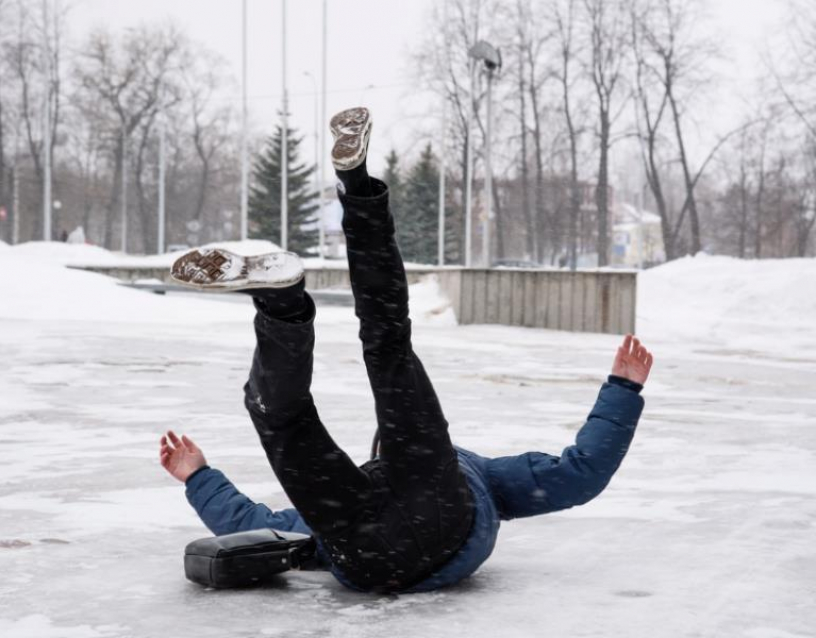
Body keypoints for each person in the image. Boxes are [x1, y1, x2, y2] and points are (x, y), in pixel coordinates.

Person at [161, 107, 653, 594]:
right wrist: (623, 390)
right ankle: (320, 244)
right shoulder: (479, 474)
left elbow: (253, 521)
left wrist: (198, 476)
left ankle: (289, 299)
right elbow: (580, 473)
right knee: (361, 363)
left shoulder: (425, 470)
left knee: (307, 398)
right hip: (425, 528)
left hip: (363, 549)